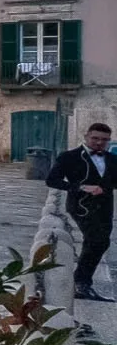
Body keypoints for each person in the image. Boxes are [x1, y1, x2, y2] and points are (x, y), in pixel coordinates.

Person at [47, 122, 116, 301]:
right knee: (96, 240)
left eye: (104, 140)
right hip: (81, 206)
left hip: (105, 207)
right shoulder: (69, 157)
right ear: (86, 136)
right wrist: (81, 187)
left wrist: (105, 187)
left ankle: (81, 281)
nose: (99, 143)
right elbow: (52, 180)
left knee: (101, 242)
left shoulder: (112, 159)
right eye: (95, 138)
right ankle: (82, 283)